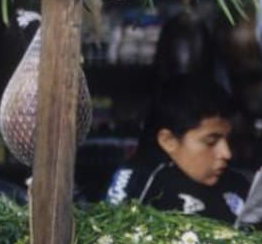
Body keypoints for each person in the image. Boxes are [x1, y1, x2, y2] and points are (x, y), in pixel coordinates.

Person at [106, 75, 250, 225]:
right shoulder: (140, 182)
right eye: (211, 141)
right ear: (168, 141)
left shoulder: (237, 184)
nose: (226, 153)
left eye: (229, 140)